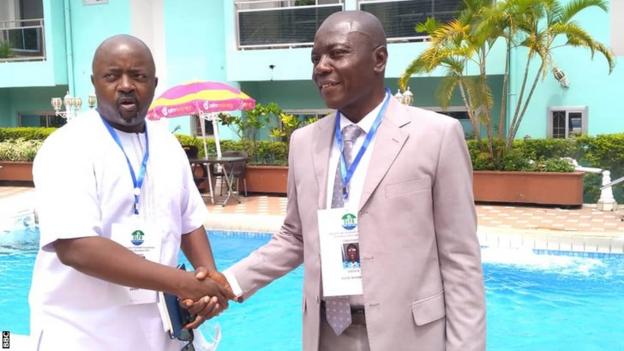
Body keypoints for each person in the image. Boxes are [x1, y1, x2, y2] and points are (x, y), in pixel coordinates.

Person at [211, 10, 485, 351]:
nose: (321, 67)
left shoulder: (437, 136)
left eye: (337, 53)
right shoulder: (303, 142)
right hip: (328, 334)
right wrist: (228, 282)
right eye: (315, 58)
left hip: (409, 336)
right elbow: (295, 237)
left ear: (379, 59)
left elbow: (460, 259)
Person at [29, 34, 232, 351]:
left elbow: (189, 221)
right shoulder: (67, 146)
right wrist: (181, 282)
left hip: (159, 336)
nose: (126, 85)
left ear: (154, 83)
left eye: (138, 76)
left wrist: (209, 286)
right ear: (95, 82)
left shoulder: (167, 145)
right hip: (84, 334)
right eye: (112, 76)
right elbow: (76, 248)